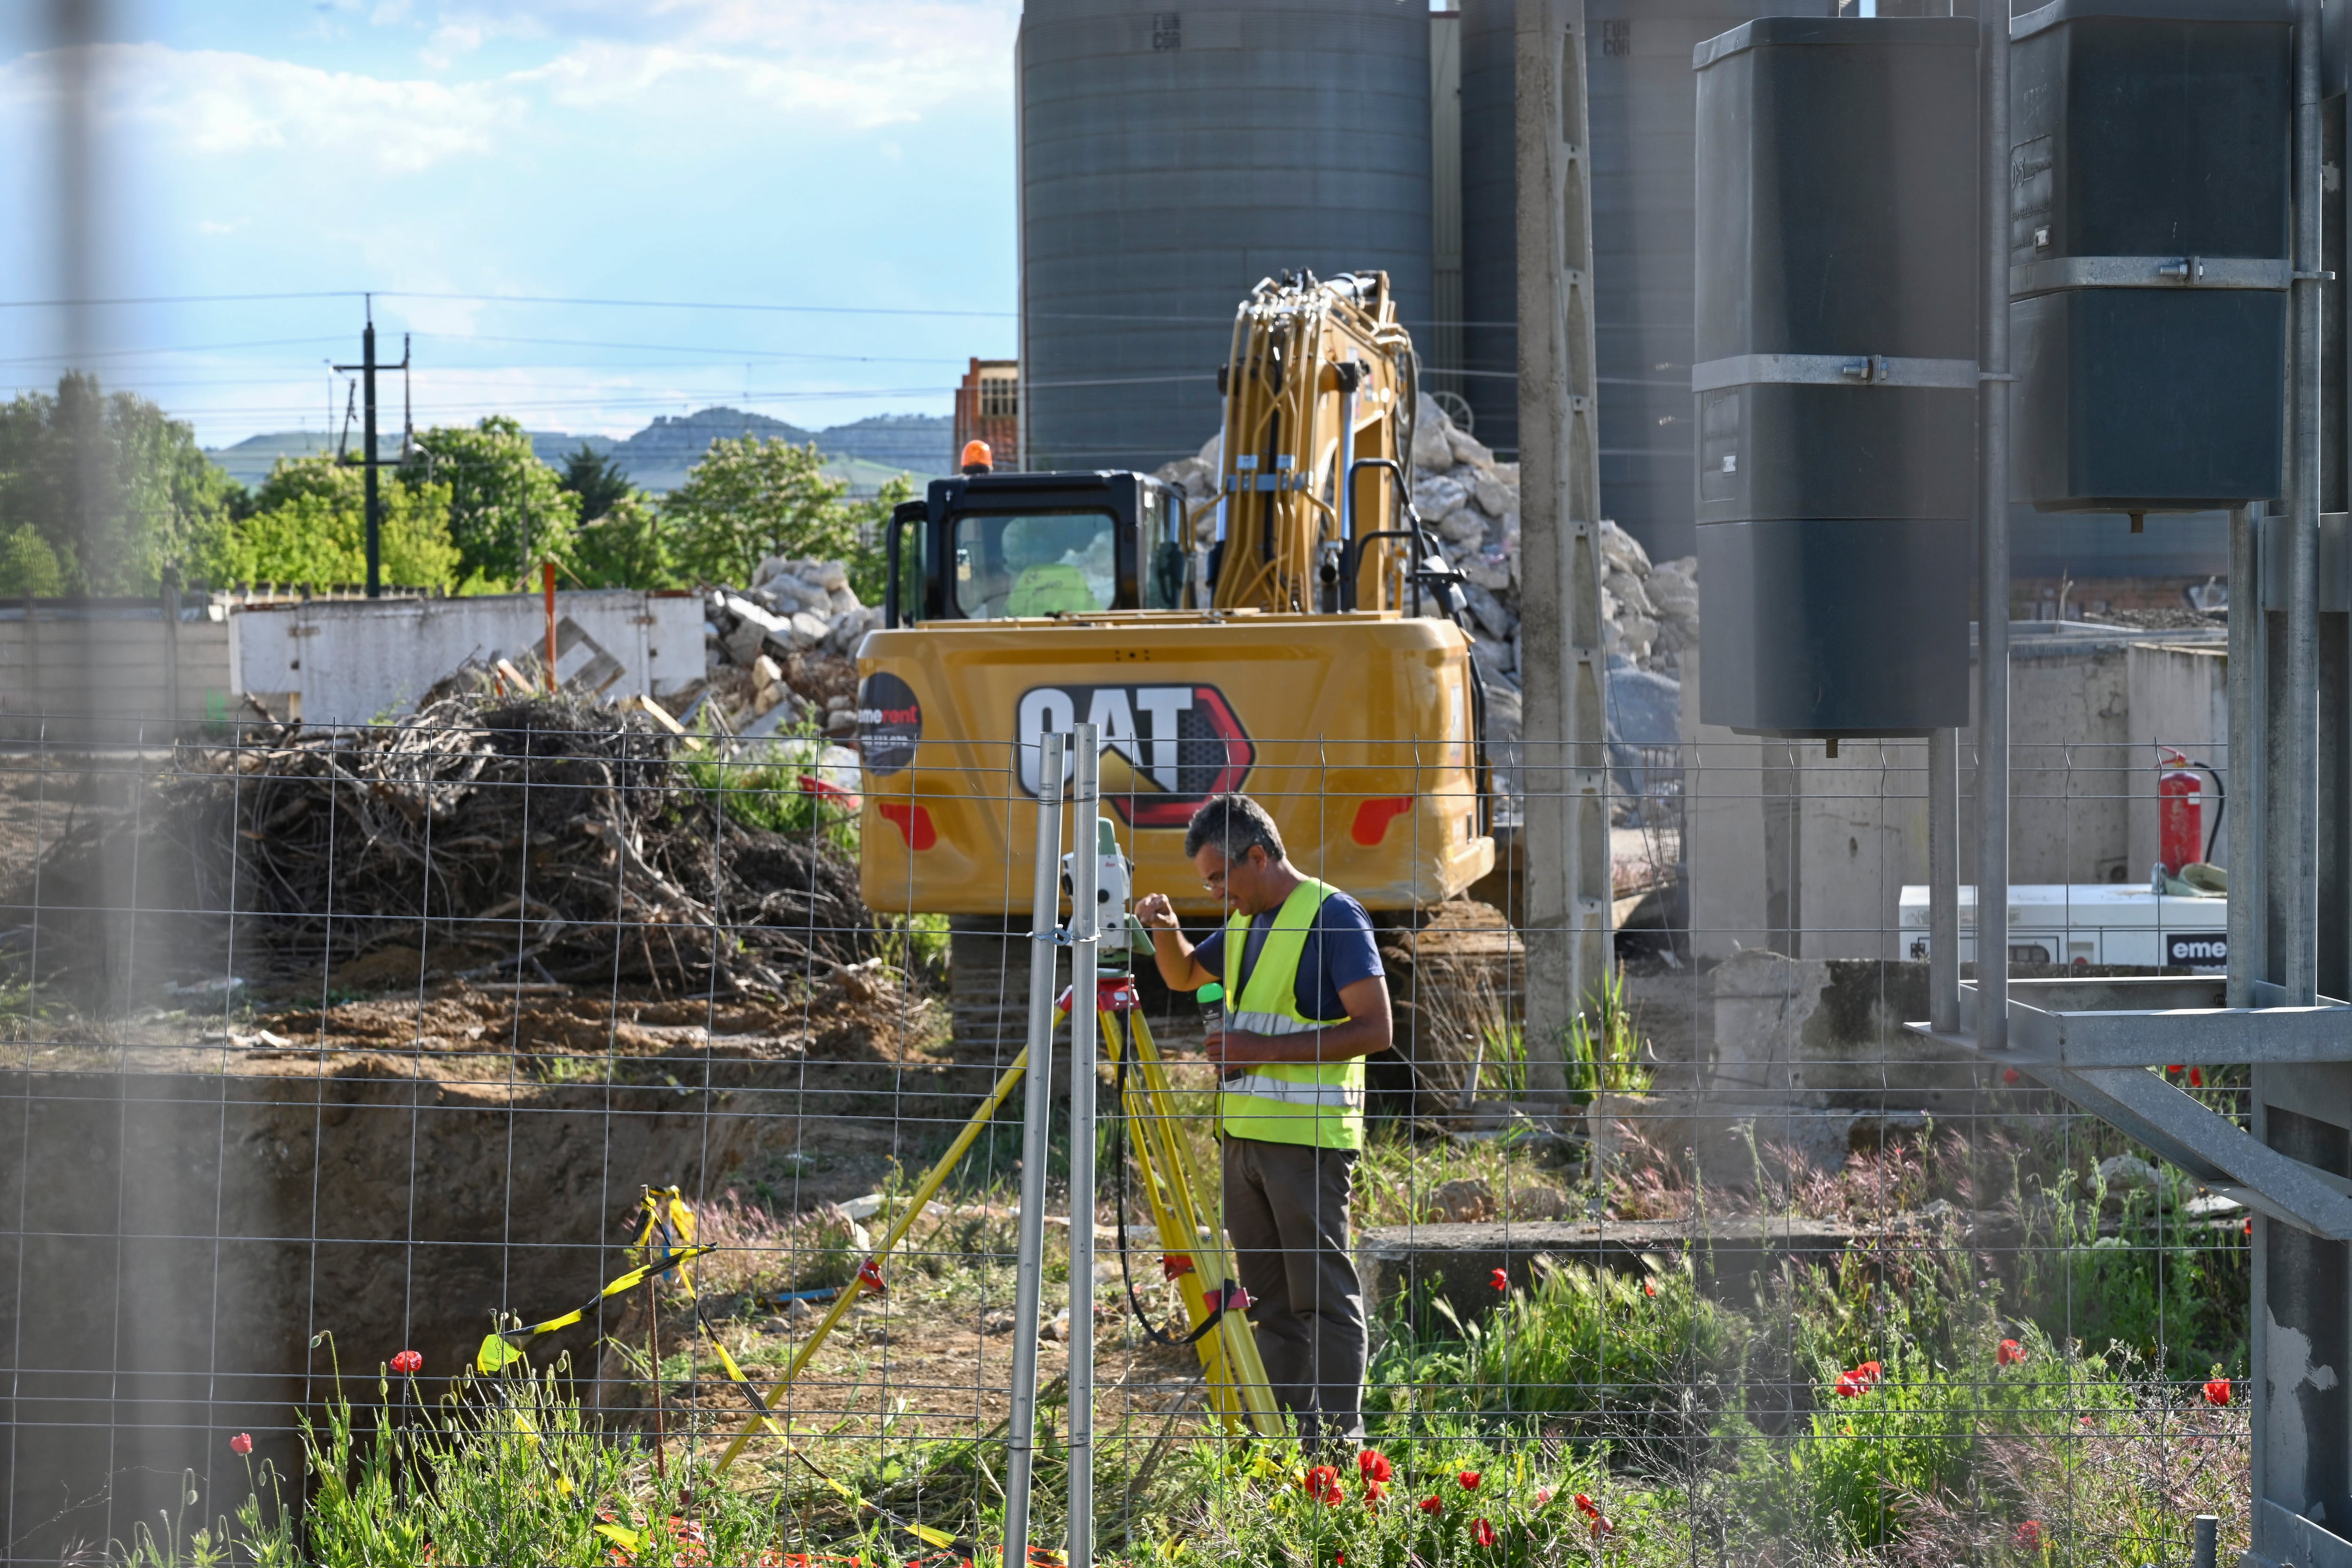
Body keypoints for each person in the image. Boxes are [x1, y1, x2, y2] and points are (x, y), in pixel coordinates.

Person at [1134, 793, 1391, 1447]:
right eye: (1205, 883)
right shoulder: (1247, 921)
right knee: (1270, 1307)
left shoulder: (1333, 916)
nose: (1216, 893)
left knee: (1323, 1301)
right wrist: (1164, 928)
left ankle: (1339, 1448)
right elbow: (1185, 973)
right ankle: (1284, 1445)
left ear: (1257, 856)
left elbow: (1376, 1028)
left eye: (1219, 878)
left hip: (1307, 1142)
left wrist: (1263, 1048)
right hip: (1244, 1140)